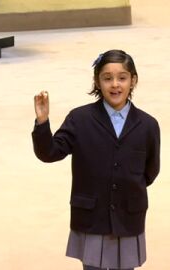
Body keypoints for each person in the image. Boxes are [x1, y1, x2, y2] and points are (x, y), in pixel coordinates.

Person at [32, 49, 160, 270]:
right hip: (92, 216)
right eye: (107, 78)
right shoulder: (79, 119)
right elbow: (49, 152)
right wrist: (42, 122)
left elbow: (150, 171)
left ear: (133, 80)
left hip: (128, 215)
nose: (115, 84)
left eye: (122, 77)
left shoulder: (148, 125)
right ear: (97, 81)